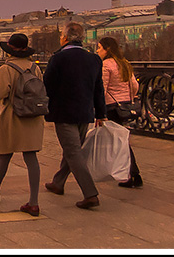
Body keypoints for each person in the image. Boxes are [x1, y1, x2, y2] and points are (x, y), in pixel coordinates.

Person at [0, 32, 46, 217]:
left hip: (12, 116)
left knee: (5, 155)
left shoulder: (6, 69)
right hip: (32, 116)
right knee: (31, 158)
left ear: (10, 50)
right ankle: (34, 202)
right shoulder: (34, 67)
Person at [42, 22, 106, 210]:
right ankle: (58, 182)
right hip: (85, 112)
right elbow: (98, 89)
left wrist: (43, 108)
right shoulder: (93, 59)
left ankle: (90, 194)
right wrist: (100, 112)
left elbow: (47, 86)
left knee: (72, 152)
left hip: (64, 112)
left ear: (65, 38)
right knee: (72, 149)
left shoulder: (58, 58)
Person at [98, 36, 143, 188]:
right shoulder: (124, 63)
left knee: (120, 143)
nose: (97, 51)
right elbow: (135, 85)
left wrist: (98, 110)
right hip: (125, 106)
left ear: (107, 49)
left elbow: (102, 90)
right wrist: (127, 97)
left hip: (112, 107)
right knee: (123, 141)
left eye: (99, 48)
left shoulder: (105, 65)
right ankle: (131, 174)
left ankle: (132, 174)